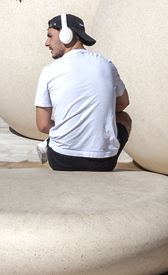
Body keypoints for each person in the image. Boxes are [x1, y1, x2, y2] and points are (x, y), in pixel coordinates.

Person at [34, 14, 129, 172]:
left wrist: (71, 127)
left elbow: (42, 124)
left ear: (66, 35)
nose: (47, 43)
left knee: (59, 132)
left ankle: (49, 143)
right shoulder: (107, 65)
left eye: (50, 36)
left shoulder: (49, 71)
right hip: (104, 162)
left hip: (61, 159)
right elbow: (123, 104)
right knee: (124, 118)